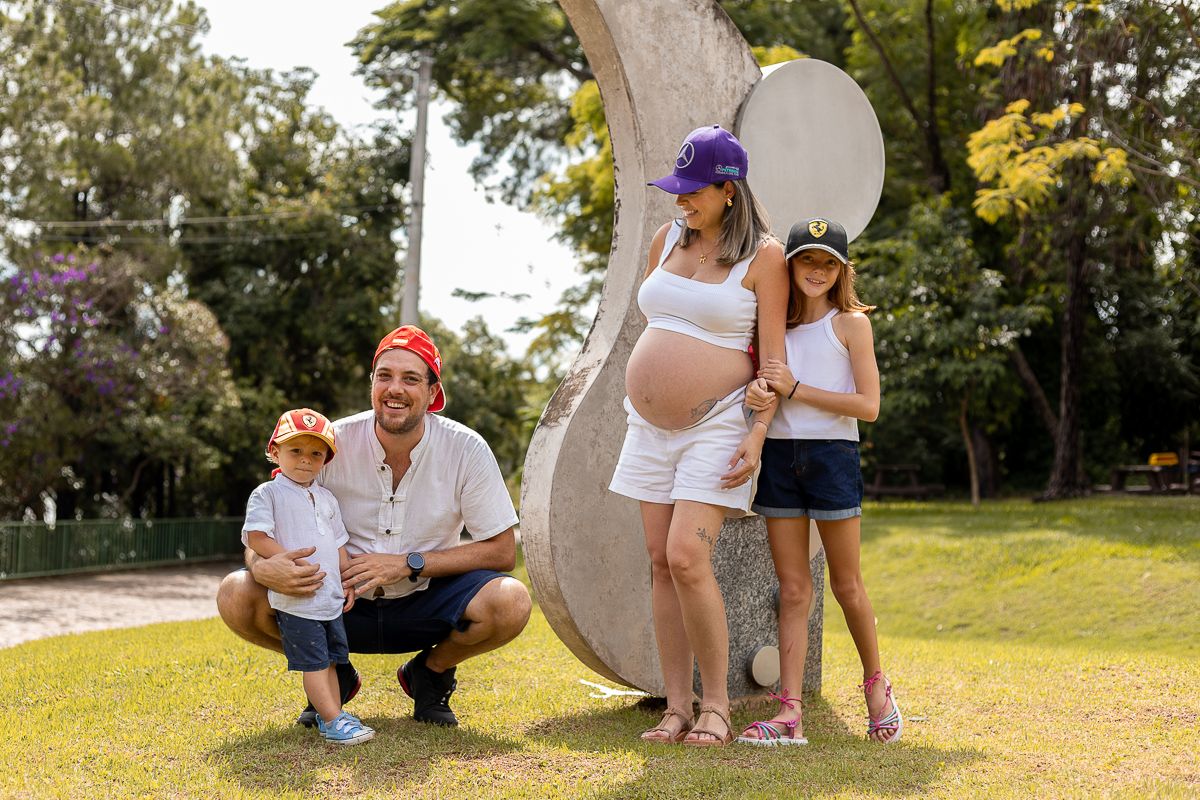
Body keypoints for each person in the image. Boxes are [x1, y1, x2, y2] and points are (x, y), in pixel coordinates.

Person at [217, 325, 532, 728]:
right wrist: (262, 566)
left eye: (410, 378)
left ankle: (430, 673)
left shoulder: (466, 447)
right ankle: (330, 670)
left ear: (433, 393)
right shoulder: (330, 442)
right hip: (336, 604)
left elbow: (503, 552)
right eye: (384, 376)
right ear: (372, 384)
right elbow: (265, 524)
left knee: (512, 601)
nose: (394, 388)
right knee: (236, 594)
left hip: (425, 601)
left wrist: (407, 563)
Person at [608, 124, 788, 746]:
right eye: (677, 188)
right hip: (647, 427)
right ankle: (676, 708)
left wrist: (759, 432)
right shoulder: (666, 241)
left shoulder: (764, 257)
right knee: (660, 562)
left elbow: (774, 362)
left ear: (729, 190)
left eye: (693, 190)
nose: (681, 200)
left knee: (688, 556)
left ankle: (717, 706)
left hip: (716, 425)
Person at [737, 217, 901, 745]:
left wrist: (798, 389)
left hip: (833, 458)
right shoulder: (772, 327)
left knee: (847, 584)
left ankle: (876, 688)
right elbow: (761, 389)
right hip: (781, 460)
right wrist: (759, 397)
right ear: (789, 264)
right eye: (807, 259)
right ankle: (789, 714)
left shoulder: (852, 324)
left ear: (841, 270)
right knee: (791, 589)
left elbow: (869, 407)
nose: (817, 271)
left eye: (828, 262)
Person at [242, 408, 375, 745]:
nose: (305, 460)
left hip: (328, 598)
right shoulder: (267, 494)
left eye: (316, 453)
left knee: (330, 660)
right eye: (295, 451)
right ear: (275, 452)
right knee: (314, 663)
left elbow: (339, 544)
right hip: (298, 598)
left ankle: (332, 714)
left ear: (326, 460)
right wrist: (281, 560)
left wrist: (347, 582)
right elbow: (256, 536)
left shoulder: (327, 498)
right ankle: (332, 721)